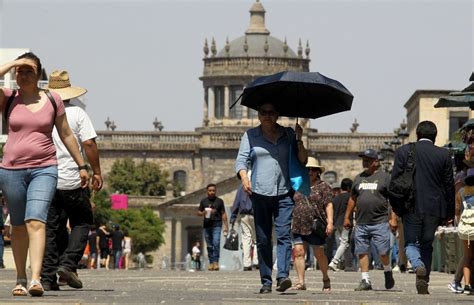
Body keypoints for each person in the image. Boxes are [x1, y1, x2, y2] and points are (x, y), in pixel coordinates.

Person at [0, 53, 90, 297]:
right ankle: (20, 278)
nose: (23, 75)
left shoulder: (52, 99)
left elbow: (67, 134)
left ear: (39, 74)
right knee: (18, 227)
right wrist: (13, 64)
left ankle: (36, 279)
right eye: (20, 71)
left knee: (36, 221)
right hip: (11, 170)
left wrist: (83, 165)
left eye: (29, 70)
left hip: (45, 167)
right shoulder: (8, 98)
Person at [235, 102, 308, 294]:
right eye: (263, 112)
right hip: (260, 193)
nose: (267, 115)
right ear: (258, 116)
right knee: (263, 238)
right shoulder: (250, 135)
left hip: (284, 192)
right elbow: (242, 160)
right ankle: (266, 280)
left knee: (284, 235)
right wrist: (244, 177)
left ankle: (282, 276)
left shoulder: (288, 135)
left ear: (277, 115)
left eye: (271, 112)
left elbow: (303, 160)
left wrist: (299, 139)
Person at [40, 70, 103, 291]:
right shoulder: (76, 113)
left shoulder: (41, 112)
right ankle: (68, 264)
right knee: (82, 221)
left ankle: (47, 277)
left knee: (51, 227)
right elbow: (89, 144)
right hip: (72, 178)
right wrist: (96, 171)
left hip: (45, 177)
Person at [391, 121, 455, 294]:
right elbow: (449, 186)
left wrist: (397, 209)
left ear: (417, 135)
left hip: (411, 206)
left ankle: (418, 266)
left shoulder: (403, 151)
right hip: (434, 208)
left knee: (411, 243)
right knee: (427, 244)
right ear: (435, 137)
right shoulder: (444, 154)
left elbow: (394, 182)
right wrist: (449, 212)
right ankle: (423, 281)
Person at [344, 148, 397, 291]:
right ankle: (365, 279)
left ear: (376, 162)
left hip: (380, 221)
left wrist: (393, 218)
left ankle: (387, 270)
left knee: (383, 252)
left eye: (368, 160)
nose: (364, 162)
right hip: (361, 222)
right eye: (363, 159)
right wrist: (347, 217)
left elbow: (392, 200)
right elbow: (352, 199)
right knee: (362, 251)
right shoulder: (358, 178)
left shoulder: (385, 177)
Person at [291, 157, 334, 291]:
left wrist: (330, 222)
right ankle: (301, 282)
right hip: (298, 224)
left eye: (313, 170)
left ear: (317, 172)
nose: (310, 172)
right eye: (307, 169)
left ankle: (325, 277)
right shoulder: (297, 185)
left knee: (319, 254)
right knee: (298, 252)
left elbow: (328, 205)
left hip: (315, 225)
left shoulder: (323, 186)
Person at [197, 184, 228, 271]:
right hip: (207, 226)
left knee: (216, 243)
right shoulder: (203, 201)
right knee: (209, 245)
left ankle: (216, 262)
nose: (212, 192)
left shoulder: (219, 201)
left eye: (213, 190)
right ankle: (211, 262)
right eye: (210, 190)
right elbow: (198, 212)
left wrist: (226, 226)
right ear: (207, 191)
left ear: (215, 191)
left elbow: (223, 213)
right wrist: (203, 213)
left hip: (217, 225)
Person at [229, 184, 259, 271]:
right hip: (256, 215)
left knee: (246, 239)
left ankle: (247, 263)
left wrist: (233, 218)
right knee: (257, 238)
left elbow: (236, 204)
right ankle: (256, 261)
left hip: (244, 215)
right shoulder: (258, 185)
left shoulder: (241, 188)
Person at [455, 168, 474, 294]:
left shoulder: (461, 192)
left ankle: (466, 285)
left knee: (467, 256)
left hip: (466, 228)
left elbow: (457, 212)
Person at [328, 178, 354, 272]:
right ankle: (334, 262)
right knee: (344, 243)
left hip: (337, 223)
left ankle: (348, 265)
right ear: (348, 187)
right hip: (346, 223)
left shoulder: (335, 198)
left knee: (343, 244)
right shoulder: (349, 197)